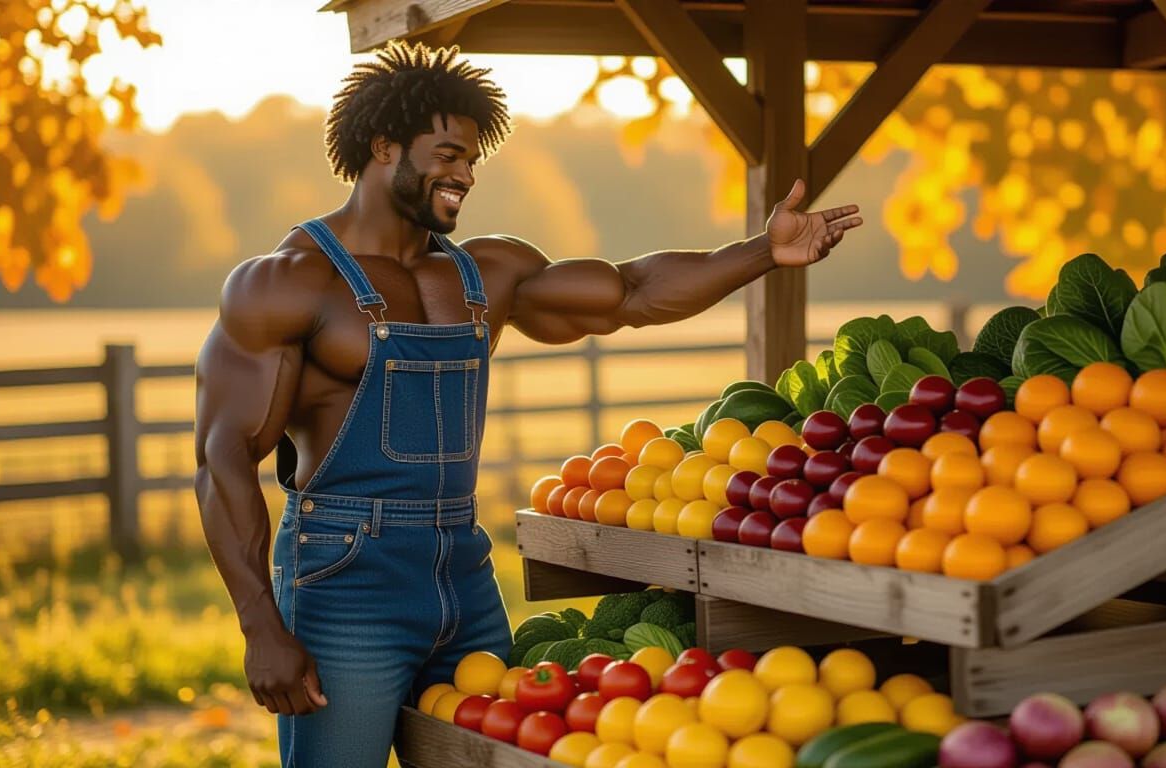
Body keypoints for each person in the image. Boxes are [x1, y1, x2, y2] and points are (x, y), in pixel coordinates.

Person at [193, 40, 862, 767]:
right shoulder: (287, 282)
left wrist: (763, 251)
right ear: (384, 147)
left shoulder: (489, 273)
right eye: (449, 155)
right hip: (345, 580)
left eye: (473, 159)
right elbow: (224, 456)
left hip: (464, 573)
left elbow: (633, 292)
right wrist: (260, 625)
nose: (466, 175)